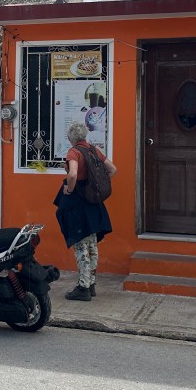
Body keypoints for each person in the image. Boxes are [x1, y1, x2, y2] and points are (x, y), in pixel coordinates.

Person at [53, 122, 117, 302]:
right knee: (92, 245)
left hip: (79, 203)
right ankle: (91, 284)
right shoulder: (94, 151)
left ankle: (83, 287)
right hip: (94, 203)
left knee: (81, 245)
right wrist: (96, 184)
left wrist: (70, 189)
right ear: (85, 136)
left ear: (71, 138)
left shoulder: (74, 152)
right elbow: (112, 169)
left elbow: (72, 174)